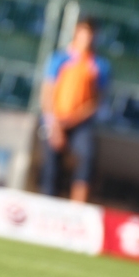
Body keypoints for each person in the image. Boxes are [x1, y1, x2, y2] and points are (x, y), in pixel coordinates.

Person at [39, 18, 109, 203]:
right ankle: (47, 206)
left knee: (86, 158)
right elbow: (47, 93)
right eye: (84, 33)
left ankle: (77, 208)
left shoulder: (99, 65)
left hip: (80, 122)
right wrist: (54, 125)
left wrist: (72, 120)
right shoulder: (60, 59)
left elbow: (95, 101)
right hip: (55, 119)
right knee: (51, 166)